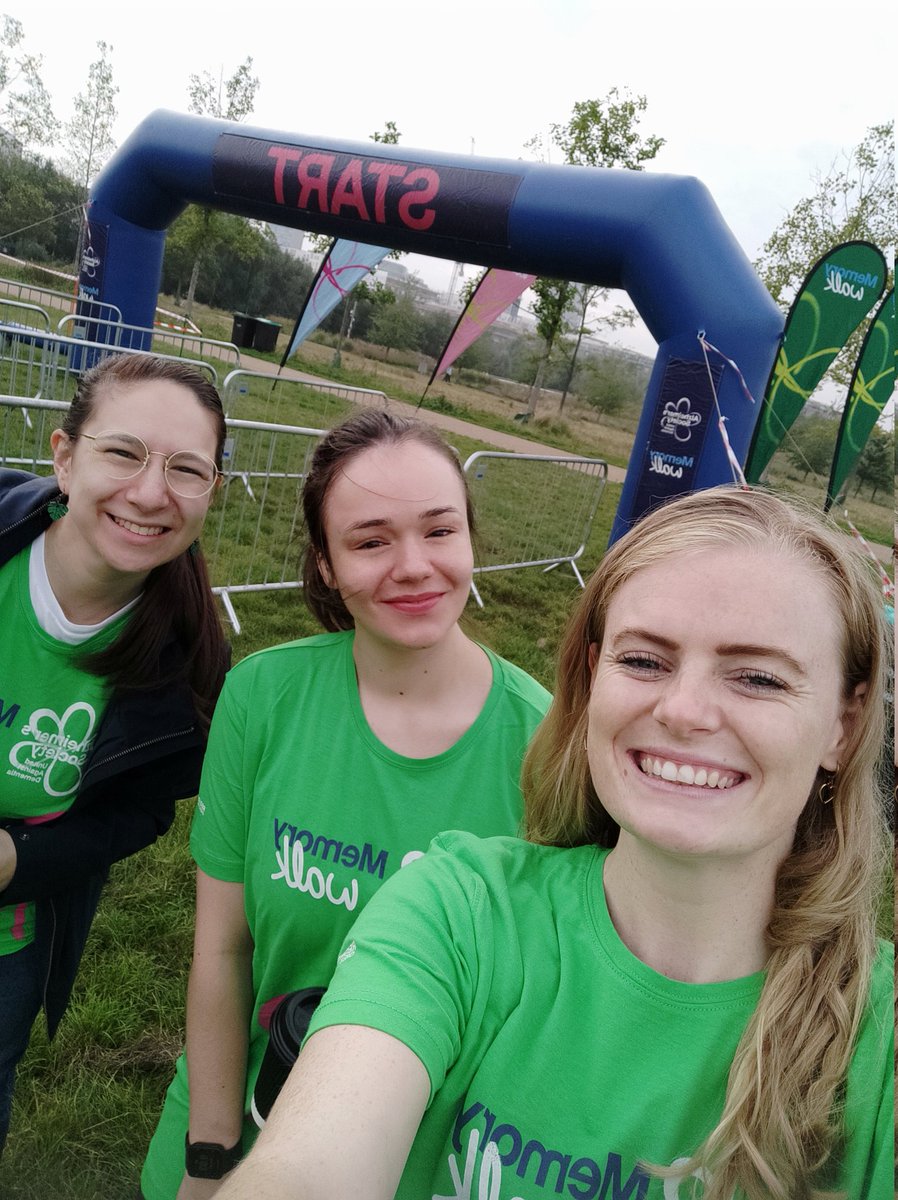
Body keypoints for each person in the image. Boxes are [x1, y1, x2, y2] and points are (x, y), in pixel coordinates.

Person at [214, 485, 893, 1200]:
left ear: (843, 727)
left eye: (757, 677)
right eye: (644, 661)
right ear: (593, 673)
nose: (684, 710)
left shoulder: (878, 1045)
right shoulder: (459, 912)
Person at [140, 408, 552, 1199]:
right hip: (237, 1106)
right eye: (369, 541)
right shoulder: (263, 695)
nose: (414, 567)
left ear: (472, 542)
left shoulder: (547, 750)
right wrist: (209, 1153)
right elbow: (224, 950)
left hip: (417, 1156)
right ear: (326, 566)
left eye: (439, 531)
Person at [0, 353, 229, 1152]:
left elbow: (137, 814)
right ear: (65, 456)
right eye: (123, 452)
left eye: (185, 469)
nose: (149, 492)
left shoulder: (192, 671)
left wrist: (16, 862)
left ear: (212, 493)